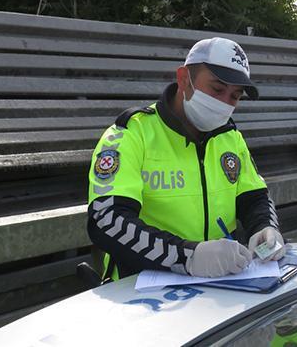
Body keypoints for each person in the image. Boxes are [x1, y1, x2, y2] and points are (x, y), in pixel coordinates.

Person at [86, 37, 285, 281]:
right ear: (183, 79)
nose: (225, 103)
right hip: (143, 290)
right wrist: (187, 256)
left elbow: (254, 197)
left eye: (235, 96)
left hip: (222, 284)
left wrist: (265, 227)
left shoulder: (230, 138)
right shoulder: (129, 134)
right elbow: (108, 220)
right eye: (217, 89)